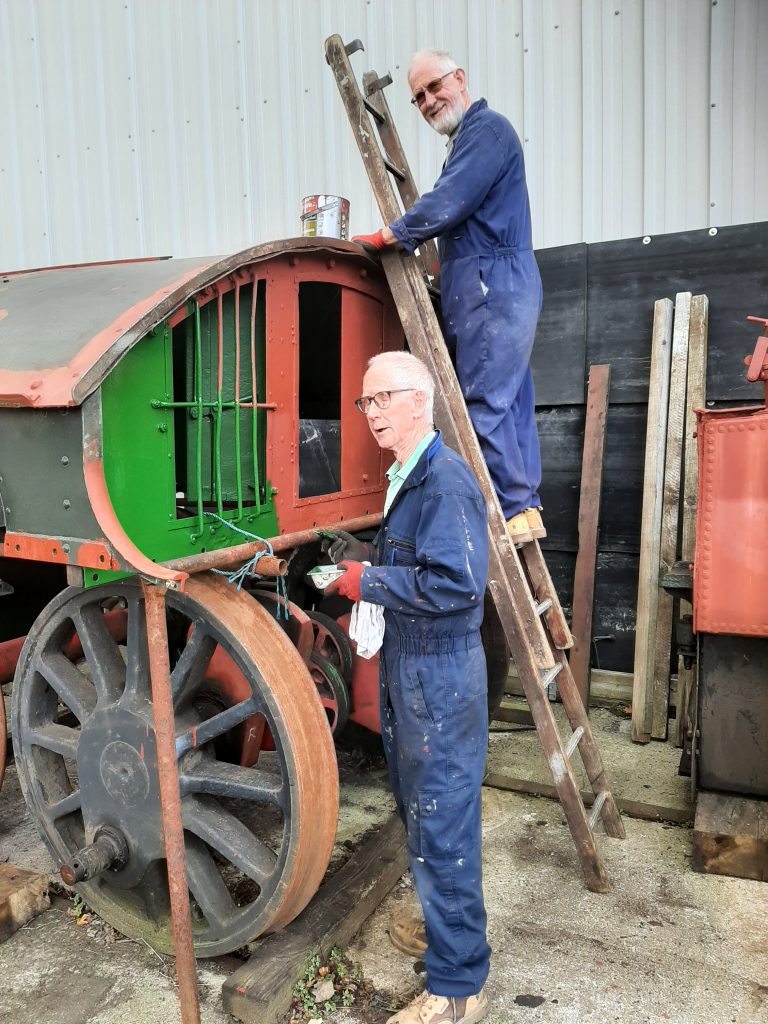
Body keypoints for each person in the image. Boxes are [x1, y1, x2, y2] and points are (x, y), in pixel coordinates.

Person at [325, 351, 491, 1024]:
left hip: (438, 672)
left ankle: (459, 993)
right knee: (424, 816)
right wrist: (356, 559)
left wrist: (364, 583)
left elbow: (457, 584)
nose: (370, 415)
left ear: (419, 400)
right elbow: (417, 562)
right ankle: (452, 938)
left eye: (381, 399)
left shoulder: (444, 481)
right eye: (365, 403)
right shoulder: (408, 475)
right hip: (413, 666)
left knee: (442, 823)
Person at [352, 48, 544, 545]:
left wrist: (394, 234)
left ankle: (506, 511)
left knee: (481, 404)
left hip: (491, 285)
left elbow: (452, 197)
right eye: (418, 98)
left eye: (434, 88)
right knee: (511, 399)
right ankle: (525, 508)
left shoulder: (486, 132)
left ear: (459, 77)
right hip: (496, 284)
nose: (429, 101)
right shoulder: (467, 141)